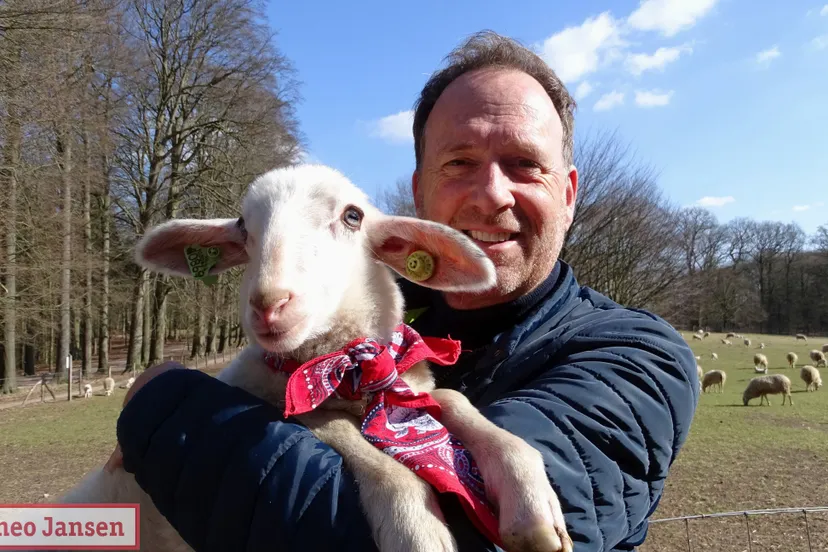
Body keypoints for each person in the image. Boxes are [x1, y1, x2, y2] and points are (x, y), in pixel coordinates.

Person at [106, 31, 699, 551]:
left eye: (524, 164)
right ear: (419, 192)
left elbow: (358, 530)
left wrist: (164, 411)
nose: (492, 195)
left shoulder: (637, 359)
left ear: (569, 194)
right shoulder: (384, 327)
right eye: (459, 163)